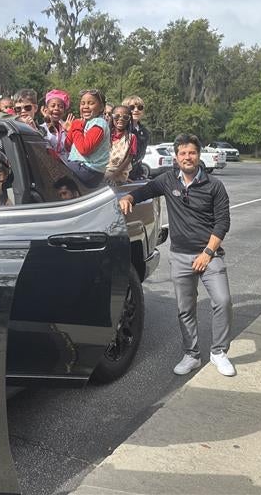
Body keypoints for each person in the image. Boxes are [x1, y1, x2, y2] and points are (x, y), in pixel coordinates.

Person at [118, 134, 235, 377]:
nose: (187, 157)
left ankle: (219, 352)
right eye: (182, 153)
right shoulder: (168, 180)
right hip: (180, 256)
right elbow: (145, 190)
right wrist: (128, 197)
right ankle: (191, 354)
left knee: (222, 302)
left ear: (199, 155)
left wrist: (208, 253)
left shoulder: (214, 186)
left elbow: (222, 222)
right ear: (176, 156)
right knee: (185, 308)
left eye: (191, 153)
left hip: (209, 255)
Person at [64, 88, 111, 188]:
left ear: (101, 107)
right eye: (82, 103)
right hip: (81, 167)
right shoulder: (84, 123)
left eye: (91, 103)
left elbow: (85, 149)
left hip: (89, 170)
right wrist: (71, 130)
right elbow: (68, 146)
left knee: (53, 171)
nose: (85, 106)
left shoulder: (99, 123)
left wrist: (76, 126)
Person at [104, 105, 138, 186]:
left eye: (125, 117)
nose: (121, 119)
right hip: (103, 170)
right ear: (112, 117)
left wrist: (114, 175)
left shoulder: (131, 138)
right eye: (116, 116)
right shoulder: (106, 135)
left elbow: (128, 159)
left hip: (119, 173)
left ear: (129, 119)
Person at [122, 95, 151, 180]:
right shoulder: (119, 130)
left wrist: (141, 174)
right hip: (119, 175)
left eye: (140, 107)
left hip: (136, 175)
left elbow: (139, 157)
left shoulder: (145, 132)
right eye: (131, 107)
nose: (136, 110)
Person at [40, 89, 72, 156]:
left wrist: (69, 132)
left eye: (60, 107)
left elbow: (70, 149)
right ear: (46, 109)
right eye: (53, 106)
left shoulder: (66, 127)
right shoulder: (42, 128)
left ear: (64, 111)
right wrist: (48, 121)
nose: (56, 108)